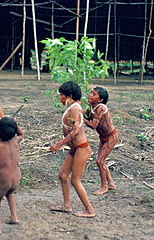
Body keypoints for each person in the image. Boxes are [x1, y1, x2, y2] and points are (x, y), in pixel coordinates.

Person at [50, 81, 96, 218]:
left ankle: (89, 210)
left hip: (81, 148)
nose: (60, 98)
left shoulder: (75, 109)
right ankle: (66, 205)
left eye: (62, 95)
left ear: (69, 96)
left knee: (75, 180)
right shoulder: (74, 107)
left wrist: (59, 143)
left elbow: (76, 131)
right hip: (75, 148)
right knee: (63, 175)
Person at [84, 86, 118, 195]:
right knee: (101, 160)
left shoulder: (101, 108)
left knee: (99, 161)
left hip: (110, 137)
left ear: (100, 100)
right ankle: (111, 183)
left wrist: (81, 118)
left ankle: (104, 186)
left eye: (94, 94)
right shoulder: (91, 108)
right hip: (103, 138)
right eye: (90, 92)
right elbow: (87, 117)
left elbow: (93, 125)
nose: (90, 95)